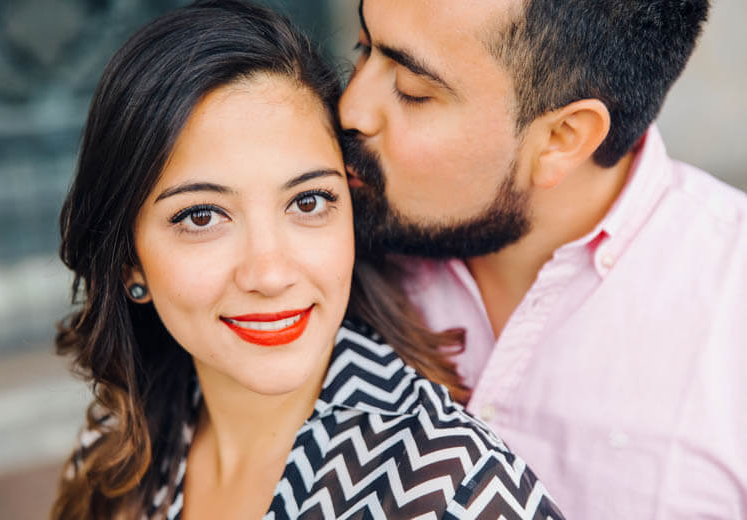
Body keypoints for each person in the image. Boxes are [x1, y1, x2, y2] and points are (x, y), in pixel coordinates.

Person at [51, 1, 565, 518]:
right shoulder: (119, 440)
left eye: (308, 202)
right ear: (129, 262)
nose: (270, 274)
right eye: (202, 217)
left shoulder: (453, 489)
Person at [339, 0, 747, 518]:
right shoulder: (315, 236)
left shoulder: (734, 308)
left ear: (561, 139)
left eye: (413, 92)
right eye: (362, 48)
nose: (351, 107)